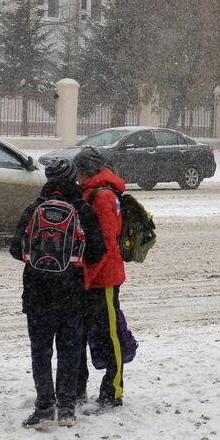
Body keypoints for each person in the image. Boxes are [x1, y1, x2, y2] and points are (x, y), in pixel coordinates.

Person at [9, 158, 106, 429]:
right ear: (73, 178)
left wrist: (42, 260)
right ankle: (66, 408)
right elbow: (99, 251)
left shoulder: (35, 208)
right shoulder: (83, 210)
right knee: (69, 350)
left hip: (37, 293)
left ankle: (43, 405)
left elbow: (16, 250)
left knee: (41, 351)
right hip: (72, 294)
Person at [73, 147, 131, 412]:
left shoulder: (103, 196)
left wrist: (89, 276)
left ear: (86, 171)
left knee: (110, 335)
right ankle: (80, 387)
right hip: (96, 275)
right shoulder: (94, 192)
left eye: (79, 173)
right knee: (85, 333)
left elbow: (105, 243)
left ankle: (113, 390)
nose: (77, 178)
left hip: (103, 277)